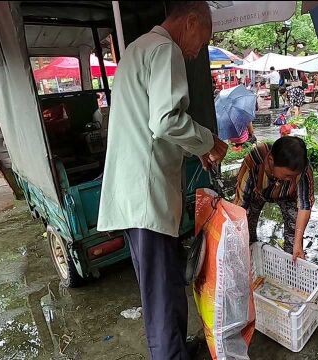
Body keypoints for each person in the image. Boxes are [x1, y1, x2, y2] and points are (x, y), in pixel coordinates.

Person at [96, 2, 227, 359]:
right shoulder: (165, 49)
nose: (198, 50)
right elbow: (166, 121)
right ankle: (169, 356)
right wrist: (208, 141)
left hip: (135, 190)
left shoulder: (137, 49)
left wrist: (193, 148)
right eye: (202, 40)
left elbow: (149, 127)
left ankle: (174, 348)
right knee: (160, 289)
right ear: (190, 22)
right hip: (146, 194)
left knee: (166, 281)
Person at [234, 136, 315, 261]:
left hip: (289, 196)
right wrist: (238, 233)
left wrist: (298, 243)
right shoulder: (255, 160)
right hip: (257, 193)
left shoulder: (304, 168)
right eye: (288, 175)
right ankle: (250, 257)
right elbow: (241, 203)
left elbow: (304, 206)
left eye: (294, 176)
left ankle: (291, 264)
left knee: (294, 239)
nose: (291, 179)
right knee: (245, 230)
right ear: (271, 160)